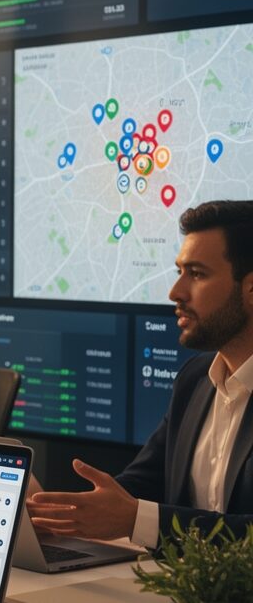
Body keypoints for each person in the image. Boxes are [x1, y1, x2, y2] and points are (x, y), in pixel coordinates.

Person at [29, 200, 253, 547]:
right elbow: (141, 484)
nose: (175, 292)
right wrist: (60, 513)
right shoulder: (195, 380)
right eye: (179, 271)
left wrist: (139, 520)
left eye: (196, 274)